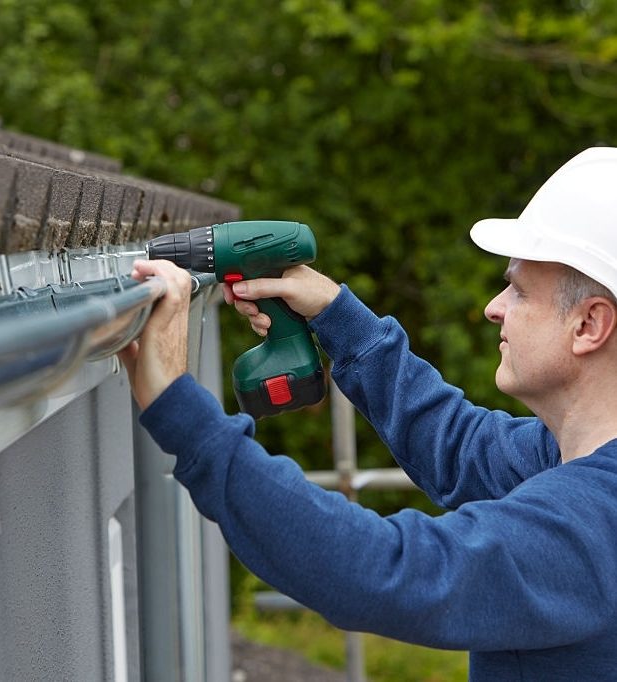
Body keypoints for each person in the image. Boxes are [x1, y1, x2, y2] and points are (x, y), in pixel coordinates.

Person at [119, 147, 617, 681]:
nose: (496, 306)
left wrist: (180, 407)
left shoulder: (590, 524)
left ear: (589, 325)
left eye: (518, 289)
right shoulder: (563, 457)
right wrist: (338, 316)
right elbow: (457, 446)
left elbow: (383, 570)